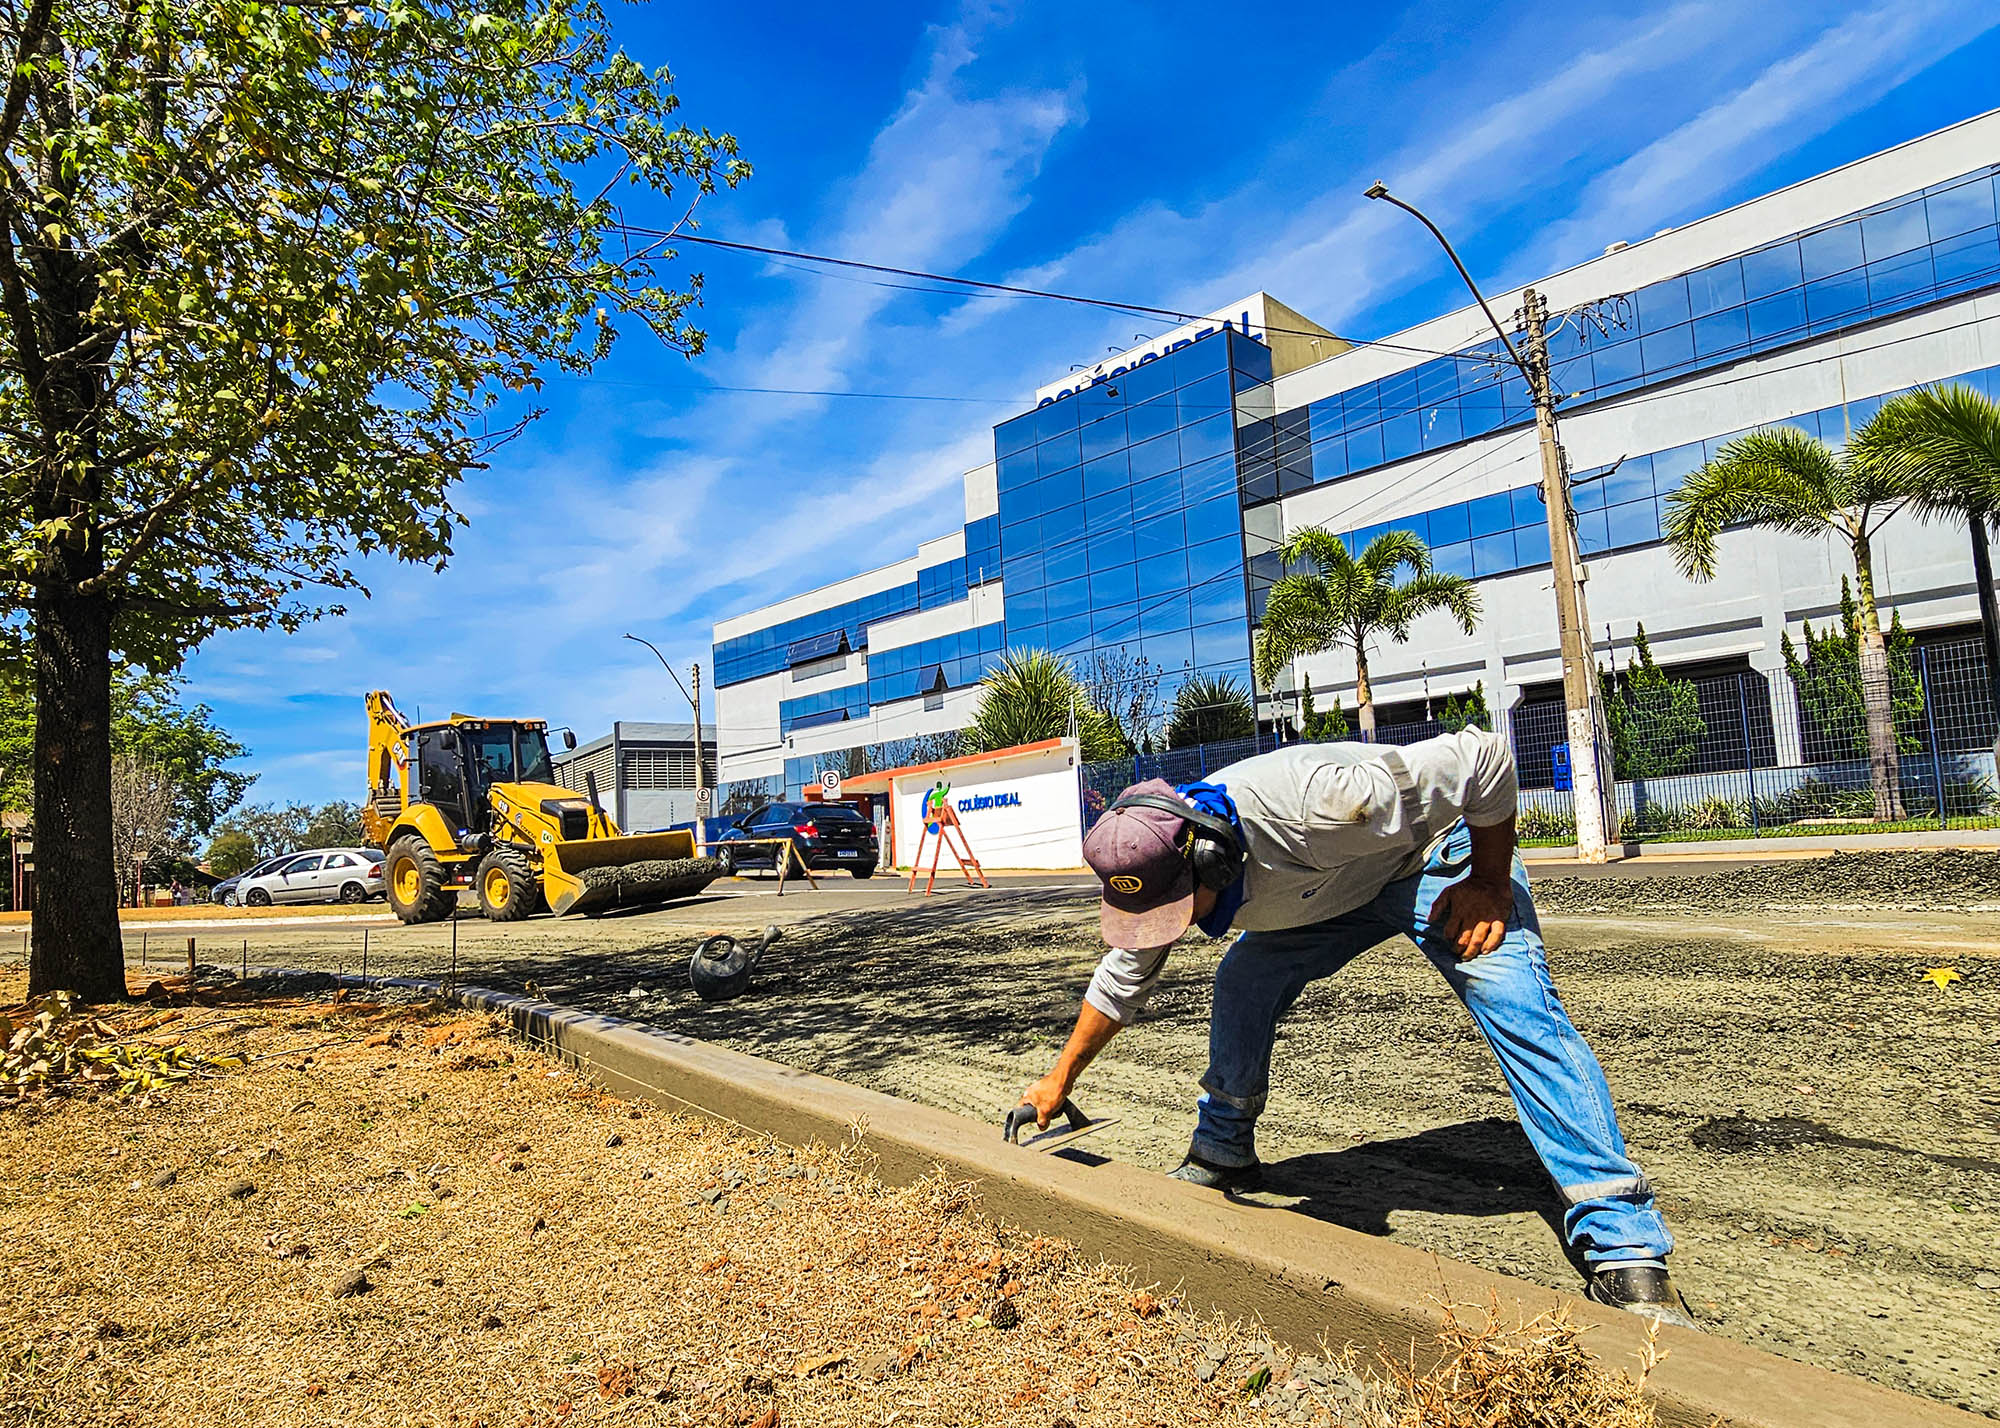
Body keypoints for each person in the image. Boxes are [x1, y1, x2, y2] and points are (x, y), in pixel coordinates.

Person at [1014, 729, 1692, 1328]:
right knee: (1245, 981)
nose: (1171, 926)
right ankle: (1222, 1150)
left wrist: (1489, 882)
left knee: (1516, 1007)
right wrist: (1057, 1080)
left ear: (1214, 859)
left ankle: (1623, 1238)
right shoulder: (1161, 859)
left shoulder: (1324, 803)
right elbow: (1121, 980)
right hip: (1332, 893)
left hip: (1435, 862)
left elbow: (1485, 759)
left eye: (1176, 907)